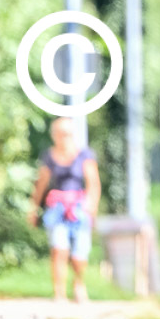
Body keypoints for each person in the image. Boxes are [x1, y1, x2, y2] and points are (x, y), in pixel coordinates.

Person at [28, 118, 100, 304]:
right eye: (60, 134)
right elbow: (41, 184)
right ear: (54, 136)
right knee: (59, 249)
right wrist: (33, 208)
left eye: (67, 134)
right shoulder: (49, 156)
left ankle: (78, 284)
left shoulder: (84, 155)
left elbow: (93, 184)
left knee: (79, 255)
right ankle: (59, 292)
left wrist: (92, 207)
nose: (63, 137)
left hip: (79, 208)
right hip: (57, 209)